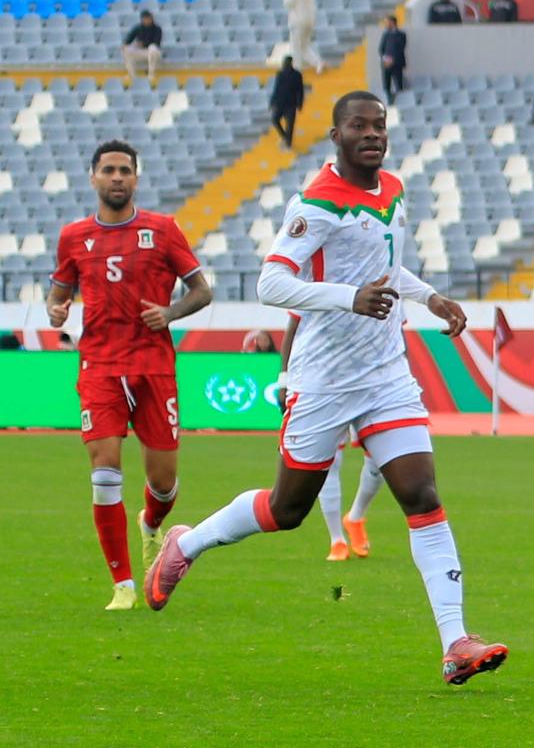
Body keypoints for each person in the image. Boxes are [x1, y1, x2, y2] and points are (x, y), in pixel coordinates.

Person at [144, 91, 510, 687]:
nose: (372, 134)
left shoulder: (392, 189)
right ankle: (187, 544)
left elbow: (383, 266)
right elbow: (270, 284)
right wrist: (349, 298)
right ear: (336, 136)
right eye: (358, 126)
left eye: (379, 125)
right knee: (286, 510)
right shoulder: (315, 203)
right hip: (323, 380)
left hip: (385, 374)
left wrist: (428, 297)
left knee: (421, 494)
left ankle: (455, 642)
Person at [47, 140, 212, 611]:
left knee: (164, 483)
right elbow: (58, 292)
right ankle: (123, 584)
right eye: (108, 170)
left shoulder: (162, 230)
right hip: (99, 367)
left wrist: (170, 311)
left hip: (153, 367)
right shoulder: (74, 236)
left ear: (136, 178)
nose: (116, 177)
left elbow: (201, 290)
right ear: (93, 177)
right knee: (104, 473)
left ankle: (151, 522)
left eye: (124, 170)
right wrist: (56, 310)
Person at [281, 315, 387, 561]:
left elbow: (396, 334)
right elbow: (292, 329)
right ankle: (336, 540)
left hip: (370, 385)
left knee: (380, 459)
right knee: (329, 461)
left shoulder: (387, 292)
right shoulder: (317, 292)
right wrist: (283, 379)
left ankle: (356, 517)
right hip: (324, 386)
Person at [284, 0, 322, 73]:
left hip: (298, 23)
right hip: (309, 22)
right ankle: (317, 63)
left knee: (296, 47)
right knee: (304, 47)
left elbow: (286, 3)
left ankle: (297, 69)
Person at [269, 57, 304, 149]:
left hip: (290, 103)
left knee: (290, 125)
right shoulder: (280, 74)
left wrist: (300, 103)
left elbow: (300, 90)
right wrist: (272, 101)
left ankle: (288, 143)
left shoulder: (297, 75)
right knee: (275, 120)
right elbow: (277, 88)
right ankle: (285, 137)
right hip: (281, 103)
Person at [121, 10, 163, 81]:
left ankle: (151, 74)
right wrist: (125, 44)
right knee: (125, 50)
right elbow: (129, 38)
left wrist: (143, 44)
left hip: (154, 53)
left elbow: (157, 43)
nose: (146, 20)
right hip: (142, 52)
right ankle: (131, 75)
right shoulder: (138, 28)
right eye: (144, 19)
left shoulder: (157, 29)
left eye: (148, 18)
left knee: (152, 48)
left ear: (151, 18)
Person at [378, 16, 407, 101]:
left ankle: (401, 102)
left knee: (399, 85)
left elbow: (401, 48)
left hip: (397, 64)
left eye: (387, 22)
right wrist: (385, 59)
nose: (386, 24)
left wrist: (392, 60)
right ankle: (388, 101)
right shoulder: (385, 34)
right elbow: (381, 49)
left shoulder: (401, 35)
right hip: (386, 64)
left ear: (392, 22)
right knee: (386, 86)